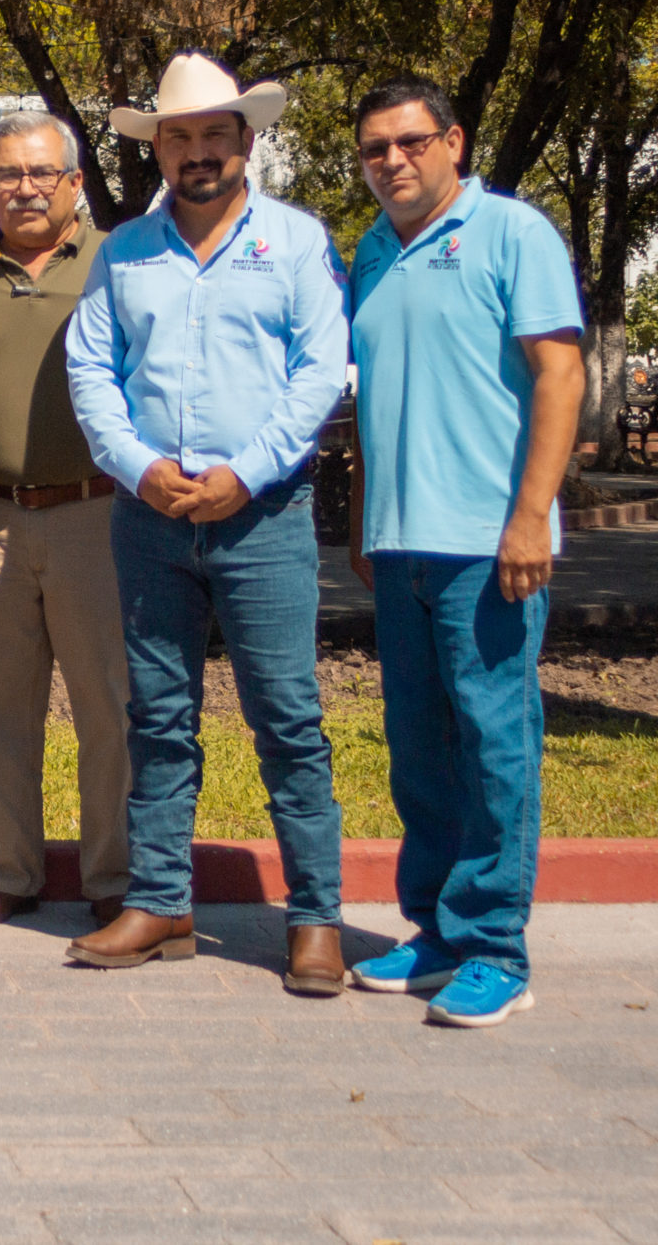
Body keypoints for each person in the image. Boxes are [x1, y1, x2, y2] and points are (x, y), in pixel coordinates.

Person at [63, 52, 350, 993]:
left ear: (245, 140)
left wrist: (247, 472)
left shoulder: (297, 242)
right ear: (160, 148)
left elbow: (319, 372)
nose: (195, 151)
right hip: (150, 517)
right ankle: (161, 901)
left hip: (262, 514)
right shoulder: (124, 252)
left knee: (288, 717)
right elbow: (92, 371)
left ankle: (314, 918)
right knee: (159, 717)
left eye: (211, 134)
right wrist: (138, 467)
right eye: (177, 136)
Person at [343, 76, 583, 1028]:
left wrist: (532, 516)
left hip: (490, 543)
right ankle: (437, 929)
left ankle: (495, 945)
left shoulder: (514, 234)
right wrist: (365, 514)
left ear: (454, 141)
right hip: (400, 544)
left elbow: (559, 374)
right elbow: (369, 399)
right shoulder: (369, 250)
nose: (391, 162)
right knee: (419, 745)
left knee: (493, 742)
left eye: (408, 143)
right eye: (373, 151)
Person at [0, 111, 132, 930]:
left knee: (108, 707)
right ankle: (7, 870)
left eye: (38, 174)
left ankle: (116, 878)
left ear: (74, 184)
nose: (21, 188)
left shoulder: (116, 262)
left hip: (94, 513)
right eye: (5, 175)